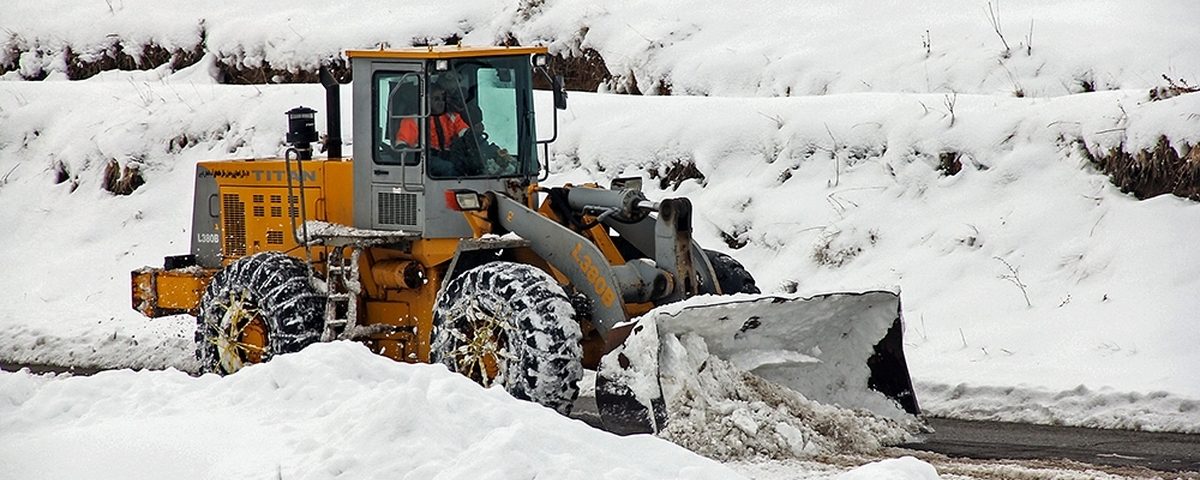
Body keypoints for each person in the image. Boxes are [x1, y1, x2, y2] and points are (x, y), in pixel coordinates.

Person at [395, 84, 474, 177]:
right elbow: (402, 142)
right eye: (436, 99)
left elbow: (463, 131)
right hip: (426, 158)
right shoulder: (414, 120)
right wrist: (407, 151)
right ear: (426, 100)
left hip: (449, 155)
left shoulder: (451, 116)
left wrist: (471, 135)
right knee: (448, 168)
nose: (441, 102)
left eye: (443, 99)